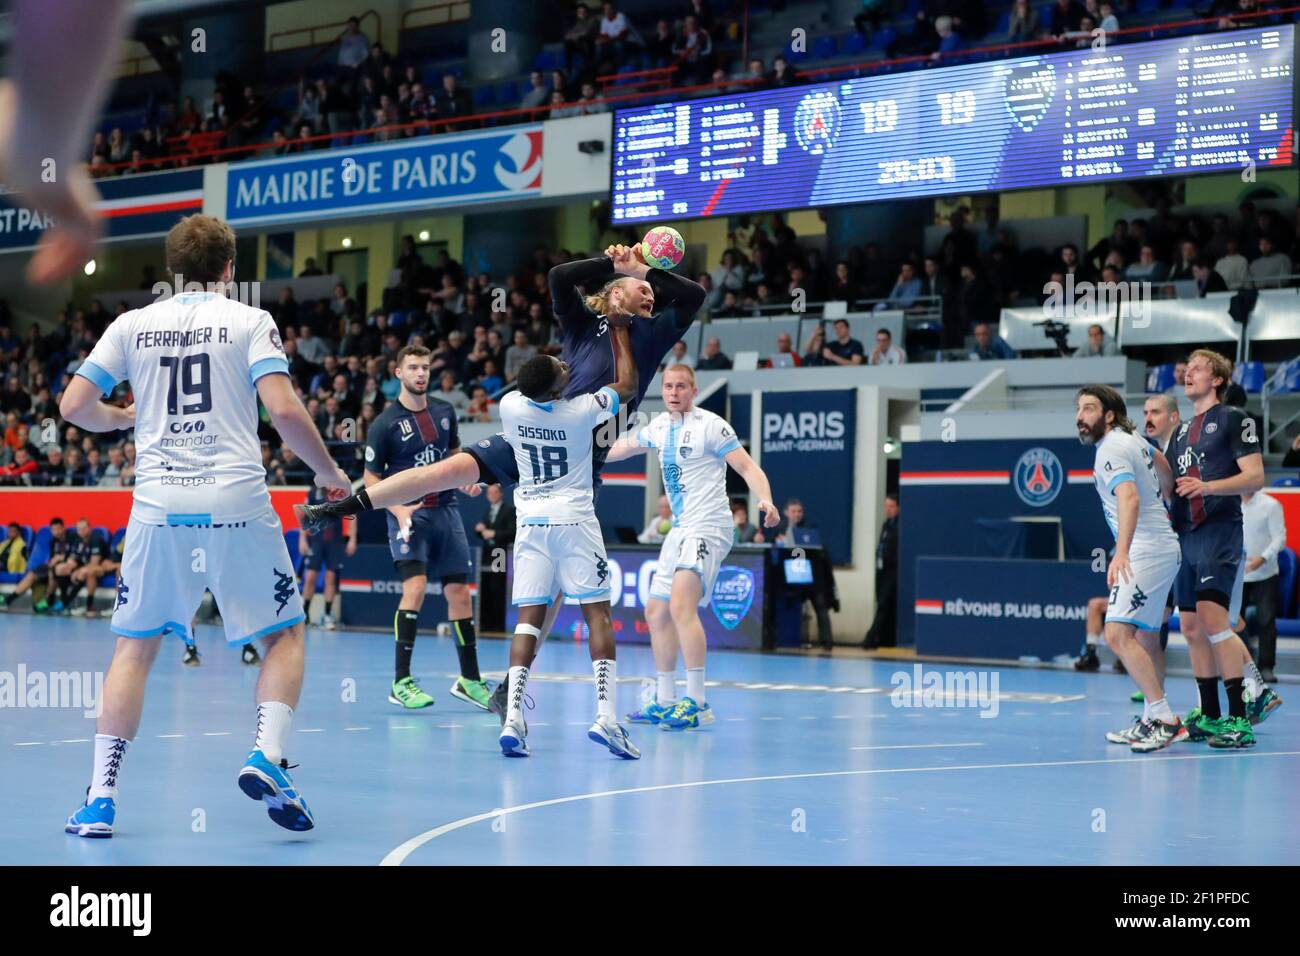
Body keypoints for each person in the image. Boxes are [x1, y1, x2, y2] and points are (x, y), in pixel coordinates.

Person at [296, 243, 707, 721]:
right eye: (643, 289)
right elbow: (558, 276)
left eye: (654, 289)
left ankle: (512, 685)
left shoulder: (651, 332)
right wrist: (611, 266)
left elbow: (693, 293)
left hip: (580, 456)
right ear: (614, 293)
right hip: (540, 431)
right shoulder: (583, 321)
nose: (652, 294)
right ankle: (337, 509)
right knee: (442, 471)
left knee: (553, 587)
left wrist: (642, 268)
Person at [60, 214, 351, 839]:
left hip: (157, 504)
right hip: (235, 501)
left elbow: (73, 407)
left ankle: (100, 801)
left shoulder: (131, 324)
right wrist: (328, 470)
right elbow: (281, 408)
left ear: (172, 269)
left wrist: (122, 420)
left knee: (133, 649)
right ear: (228, 269)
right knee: (283, 636)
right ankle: (266, 756)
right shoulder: (250, 321)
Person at [605, 364, 778, 729]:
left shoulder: (712, 426)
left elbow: (748, 468)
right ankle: (666, 699)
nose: (673, 392)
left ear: (693, 390)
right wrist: (583, 449)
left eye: (680, 386)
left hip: (710, 526)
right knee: (656, 612)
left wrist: (765, 499)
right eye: (668, 386)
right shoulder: (659, 426)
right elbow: (622, 448)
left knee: (682, 606)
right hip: (680, 530)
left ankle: (697, 701)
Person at [496, 322, 640, 758]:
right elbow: (629, 384)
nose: (566, 363)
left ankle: (512, 718)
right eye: (562, 367)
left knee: (528, 620)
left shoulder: (510, 407)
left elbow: (535, 383)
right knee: (597, 614)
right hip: (576, 521)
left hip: (531, 523)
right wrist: (617, 331)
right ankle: (606, 716)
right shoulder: (580, 410)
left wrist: (551, 376)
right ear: (559, 388)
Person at [364, 345, 491, 711]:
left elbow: (454, 456)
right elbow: (370, 479)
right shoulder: (384, 423)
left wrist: (467, 476)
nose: (421, 373)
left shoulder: (445, 411)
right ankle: (401, 681)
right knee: (415, 588)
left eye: (425, 367)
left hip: (447, 512)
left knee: (460, 595)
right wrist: (399, 510)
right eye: (413, 367)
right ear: (398, 373)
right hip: (410, 516)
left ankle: (469, 680)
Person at [1075, 385, 1187, 752]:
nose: (1081, 416)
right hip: (1161, 546)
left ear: (1109, 415)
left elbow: (1130, 496)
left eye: (1089, 408)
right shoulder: (1133, 438)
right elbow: (1163, 466)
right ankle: (1154, 717)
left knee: (1117, 634)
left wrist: (1121, 553)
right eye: (1079, 409)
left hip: (1145, 551)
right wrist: (1168, 498)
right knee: (1146, 637)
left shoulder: (1112, 447)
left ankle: (1166, 718)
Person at [1168, 350, 1267, 748]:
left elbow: (1256, 477)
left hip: (1219, 532)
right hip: (1185, 536)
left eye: (1197, 369)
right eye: (1186, 369)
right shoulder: (1179, 432)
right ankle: (1209, 715)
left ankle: (1238, 719)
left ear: (1218, 380)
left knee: (1214, 622)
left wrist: (1207, 487)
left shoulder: (1235, 418)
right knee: (1190, 627)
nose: (1187, 373)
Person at [299, 483, 358, 630]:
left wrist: (352, 538)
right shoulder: (314, 491)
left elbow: (352, 514)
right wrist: (302, 539)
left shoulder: (342, 492)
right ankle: (304, 614)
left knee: (330, 578)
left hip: (334, 542)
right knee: (310, 577)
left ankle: (327, 615)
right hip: (316, 541)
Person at [1241, 488, 1286, 684]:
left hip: (1265, 572)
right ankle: (1240, 665)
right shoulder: (1230, 503)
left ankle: (1266, 666)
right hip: (1236, 574)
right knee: (1234, 622)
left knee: (1266, 620)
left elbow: (1280, 538)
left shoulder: (1271, 504)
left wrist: (1262, 558)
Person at [0, 516, 71, 611]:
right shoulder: (53, 541)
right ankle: (8, 600)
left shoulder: (71, 538)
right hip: (52, 565)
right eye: (53, 530)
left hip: (66, 566)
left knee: (52, 573)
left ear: (63, 528)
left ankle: (49, 600)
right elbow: (53, 556)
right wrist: (52, 561)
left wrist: (61, 558)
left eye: (58, 529)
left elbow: (75, 554)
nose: (56, 532)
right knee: (32, 574)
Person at [473, 482, 515, 633]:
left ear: (500, 493)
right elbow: (484, 532)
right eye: (489, 493)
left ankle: (497, 625)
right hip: (486, 555)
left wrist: (494, 533)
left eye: (494, 493)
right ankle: (485, 623)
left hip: (500, 553)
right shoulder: (487, 512)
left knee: (497, 588)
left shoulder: (508, 511)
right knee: (485, 588)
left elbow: (512, 532)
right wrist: (479, 531)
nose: (491, 496)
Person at [863, 493, 899, 649]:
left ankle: (870, 639)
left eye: (891, 506)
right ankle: (882, 639)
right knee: (881, 602)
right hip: (881, 570)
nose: (888, 509)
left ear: (898, 507)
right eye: (886, 506)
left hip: (893, 571)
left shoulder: (899, 526)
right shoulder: (886, 525)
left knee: (884, 604)